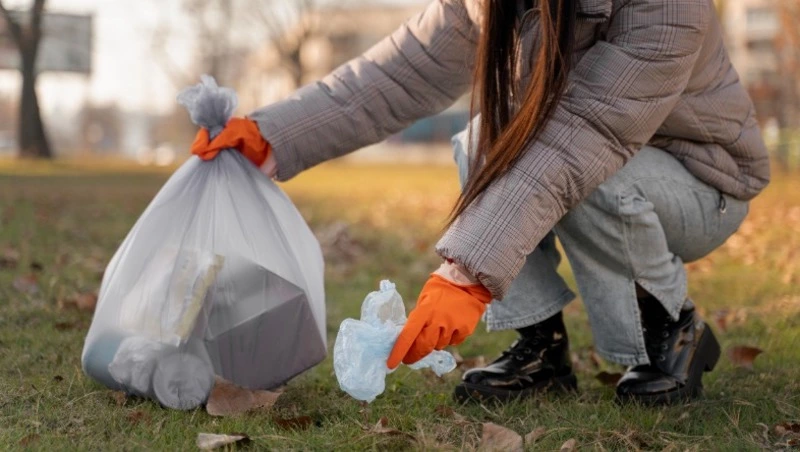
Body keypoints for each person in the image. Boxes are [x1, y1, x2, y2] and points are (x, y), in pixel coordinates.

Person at [191, 0, 770, 405]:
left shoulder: (665, 9)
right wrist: (275, 134)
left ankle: (670, 329)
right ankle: (539, 349)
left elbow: (586, 135)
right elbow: (393, 77)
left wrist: (468, 271)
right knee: (481, 142)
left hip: (701, 180)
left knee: (598, 178)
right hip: (598, 156)